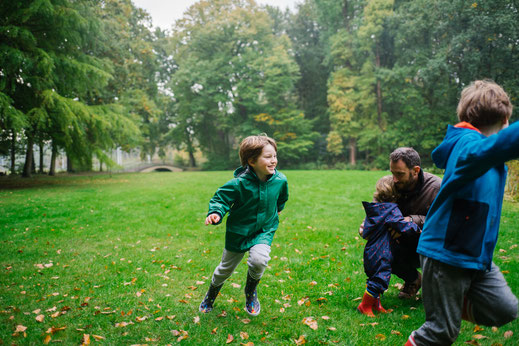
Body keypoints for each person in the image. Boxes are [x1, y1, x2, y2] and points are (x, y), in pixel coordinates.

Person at [406, 80, 518, 345]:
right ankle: (445, 309)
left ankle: (456, 299)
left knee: (505, 309)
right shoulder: (467, 145)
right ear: (505, 119)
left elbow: (494, 149)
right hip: (448, 255)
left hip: (475, 256)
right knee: (440, 332)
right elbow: (493, 148)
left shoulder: (483, 151)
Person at [199, 134, 289, 316]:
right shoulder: (238, 184)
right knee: (224, 270)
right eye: (268, 157)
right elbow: (220, 199)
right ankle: (210, 295)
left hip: (264, 230)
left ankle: (250, 292)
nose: (274, 161)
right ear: (252, 161)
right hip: (239, 232)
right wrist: (216, 212)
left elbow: (282, 197)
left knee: (259, 260)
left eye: (274, 156)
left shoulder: (280, 180)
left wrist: (277, 210)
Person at [360, 147, 441, 299]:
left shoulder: (436, 188)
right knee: (379, 248)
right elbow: (377, 211)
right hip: (401, 244)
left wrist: (412, 220)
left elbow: (444, 223)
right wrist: (368, 226)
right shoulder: (388, 185)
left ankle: (440, 287)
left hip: (430, 245)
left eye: (399, 174)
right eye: (392, 173)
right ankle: (414, 280)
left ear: (415, 170)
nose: (394, 179)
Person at [357, 176, 421, 317]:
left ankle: (376, 304)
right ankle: (365, 306)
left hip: (371, 251)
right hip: (383, 251)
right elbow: (401, 224)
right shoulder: (391, 209)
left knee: (375, 277)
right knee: (379, 279)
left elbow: (365, 230)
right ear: (395, 193)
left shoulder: (374, 210)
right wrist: (416, 229)